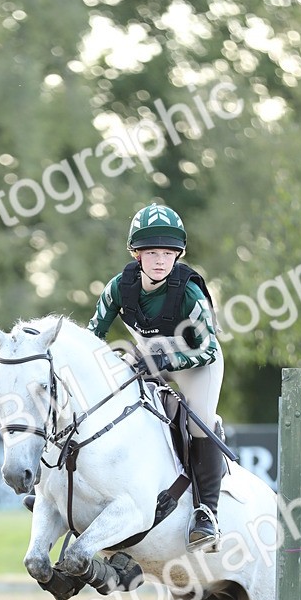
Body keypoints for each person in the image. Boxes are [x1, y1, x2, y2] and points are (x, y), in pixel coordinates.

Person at [87, 203, 224, 551]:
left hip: (196, 361)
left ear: (177, 255)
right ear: (136, 254)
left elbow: (206, 349)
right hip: (149, 356)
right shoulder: (119, 287)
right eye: (151, 252)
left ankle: (207, 512)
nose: (160, 260)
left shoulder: (190, 292)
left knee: (199, 421)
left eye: (168, 253)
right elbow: (92, 337)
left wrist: (164, 358)